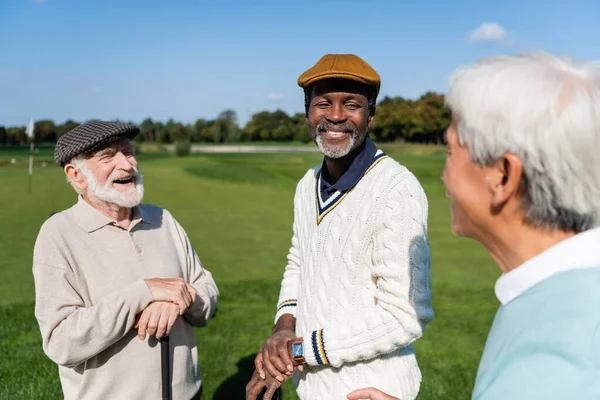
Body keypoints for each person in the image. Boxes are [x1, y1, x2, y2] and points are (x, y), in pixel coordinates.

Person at [347, 52, 600, 400]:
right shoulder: (557, 295)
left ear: (502, 175)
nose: (443, 174)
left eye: (451, 151)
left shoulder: (557, 359)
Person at [246, 54, 434, 400]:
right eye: (322, 103)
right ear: (307, 114)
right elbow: (298, 263)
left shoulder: (397, 189)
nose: (335, 115)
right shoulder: (308, 183)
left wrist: (298, 352)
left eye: (351, 105)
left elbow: (405, 317)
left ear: (370, 116)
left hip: (374, 390)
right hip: (313, 388)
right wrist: (283, 331)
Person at [33, 121, 219, 400]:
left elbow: (208, 294)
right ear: (76, 175)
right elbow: (60, 343)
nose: (127, 164)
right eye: (108, 156)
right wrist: (143, 293)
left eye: (128, 151)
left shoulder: (163, 219)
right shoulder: (58, 235)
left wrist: (180, 298)